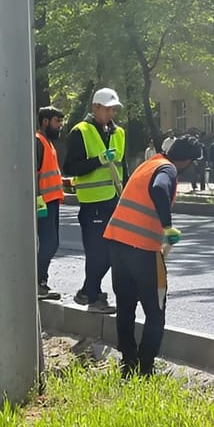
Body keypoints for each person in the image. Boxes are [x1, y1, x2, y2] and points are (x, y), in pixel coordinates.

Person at [103, 134, 200, 378]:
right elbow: (158, 189)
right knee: (155, 311)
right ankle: (145, 368)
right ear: (187, 161)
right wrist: (167, 227)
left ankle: (128, 362)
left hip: (118, 242)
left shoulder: (149, 163)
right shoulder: (167, 170)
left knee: (125, 306)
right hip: (143, 250)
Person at [62, 87, 127, 314]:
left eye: (114, 109)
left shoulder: (118, 133)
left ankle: (89, 291)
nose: (112, 114)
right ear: (95, 107)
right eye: (108, 109)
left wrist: (127, 195)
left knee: (113, 251)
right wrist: (97, 160)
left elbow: (123, 167)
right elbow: (69, 167)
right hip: (93, 204)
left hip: (114, 200)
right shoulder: (80, 131)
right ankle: (92, 294)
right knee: (98, 252)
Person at [35, 106, 66, 301]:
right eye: (57, 121)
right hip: (43, 202)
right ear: (45, 121)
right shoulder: (39, 142)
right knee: (49, 243)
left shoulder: (48, 142)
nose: (60, 125)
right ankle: (37, 282)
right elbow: (34, 173)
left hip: (51, 200)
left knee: (51, 243)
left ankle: (40, 283)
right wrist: (38, 200)